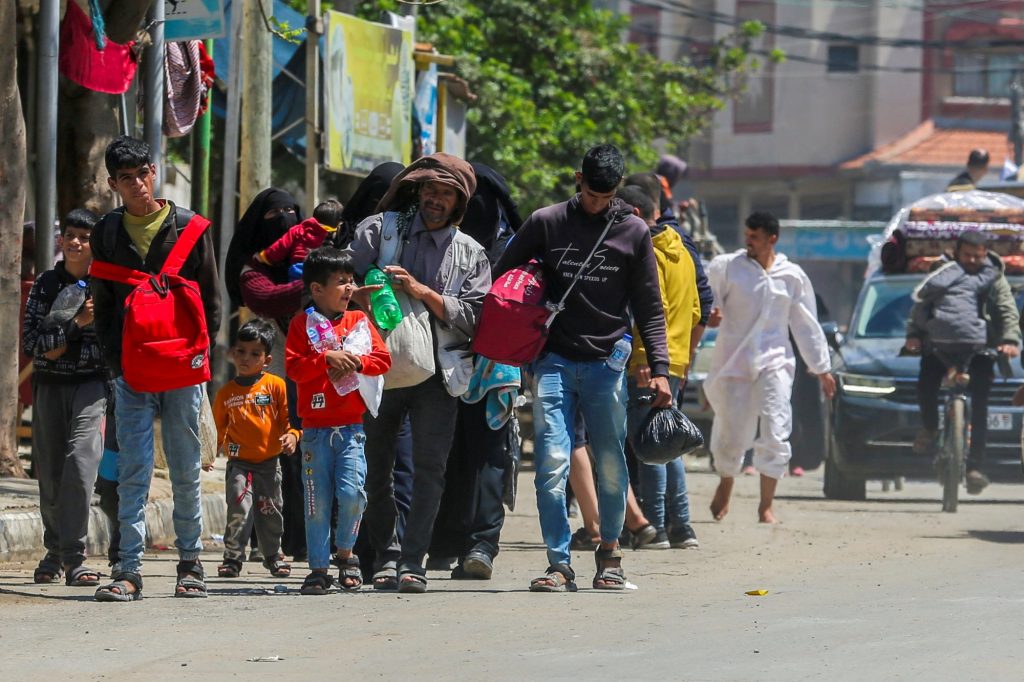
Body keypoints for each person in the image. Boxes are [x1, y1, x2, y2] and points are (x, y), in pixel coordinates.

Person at [495, 144, 672, 592]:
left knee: (611, 462)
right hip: (552, 360)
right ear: (578, 179)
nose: (596, 203)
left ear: (618, 188)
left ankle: (609, 555)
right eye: (591, 193)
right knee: (552, 460)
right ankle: (559, 563)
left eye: (605, 195)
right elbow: (504, 278)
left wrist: (661, 368)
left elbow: (650, 307)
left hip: (605, 365)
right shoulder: (547, 221)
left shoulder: (633, 232)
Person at [344, 152, 491, 594]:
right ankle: (385, 556)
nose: (436, 199)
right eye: (431, 190)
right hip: (378, 367)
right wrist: (362, 295)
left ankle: (413, 561)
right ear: (417, 190)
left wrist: (423, 292)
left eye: (446, 193)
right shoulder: (378, 231)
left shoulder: (470, 253)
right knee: (374, 466)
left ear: (458, 204)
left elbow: (477, 317)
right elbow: (338, 285)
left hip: (438, 376)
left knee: (430, 469)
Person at [90, 135, 221, 601]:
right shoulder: (106, 234)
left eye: (143, 173)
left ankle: (191, 563)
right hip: (132, 372)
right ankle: (128, 569)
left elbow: (211, 301)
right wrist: (117, 362)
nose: (139, 184)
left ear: (154, 172)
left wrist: (200, 360)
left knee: (186, 467)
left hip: (184, 369)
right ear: (114, 184)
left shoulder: (190, 226)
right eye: (127, 178)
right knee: (134, 470)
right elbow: (103, 305)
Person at [704, 212, 834, 524]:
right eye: (746, 235)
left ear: (771, 238)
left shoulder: (791, 275)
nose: (748, 241)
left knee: (776, 427)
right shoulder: (728, 267)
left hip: (776, 361)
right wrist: (710, 315)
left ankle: (766, 506)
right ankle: (726, 480)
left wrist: (821, 367)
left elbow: (805, 323)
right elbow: (707, 300)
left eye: (755, 236)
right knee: (732, 432)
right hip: (735, 360)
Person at [429, 161, 524, 580]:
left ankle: (480, 545)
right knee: (455, 455)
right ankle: (450, 542)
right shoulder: (446, 243)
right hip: (447, 363)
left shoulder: (512, 248)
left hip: (492, 368)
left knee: (484, 454)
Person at [285, 248, 391, 595]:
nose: (350, 289)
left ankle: (346, 555)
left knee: (352, 495)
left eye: (351, 281)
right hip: (314, 432)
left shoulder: (359, 321)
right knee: (317, 504)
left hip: (352, 430)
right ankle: (318, 568)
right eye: (341, 283)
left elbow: (382, 360)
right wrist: (324, 358)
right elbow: (294, 368)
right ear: (317, 289)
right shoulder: (302, 325)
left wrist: (358, 363)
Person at [22, 208, 107, 587]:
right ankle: (53, 550)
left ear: (96, 244)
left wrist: (59, 342)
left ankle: (75, 556)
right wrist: (76, 327)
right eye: (70, 235)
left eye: (84, 237)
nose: (75, 243)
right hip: (49, 386)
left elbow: (112, 343)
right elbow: (34, 345)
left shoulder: (108, 286)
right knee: (51, 472)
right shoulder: (45, 284)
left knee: (80, 462)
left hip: (91, 386)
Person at [617, 185, 702, 550]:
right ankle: (682, 527)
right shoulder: (681, 249)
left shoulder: (647, 250)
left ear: (635, 212)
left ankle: (654, 528)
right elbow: (696, 309)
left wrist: (646, 360)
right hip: (676, 359)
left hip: (650, 362)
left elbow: (654, 309)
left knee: (649, 444)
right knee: (668, 440)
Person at [905, 231, 1021, 494]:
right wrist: (913, 336)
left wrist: (1009, 341)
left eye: (977, 256)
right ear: (956, 252)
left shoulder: (994, 277)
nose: (972, 260)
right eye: (967, 255)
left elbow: (1006, 310)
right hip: (939, 347)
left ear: (985, 255)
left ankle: (974, 469)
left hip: (980, 349)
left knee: (980, 405)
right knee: (926, 383)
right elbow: (921, 307)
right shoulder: (941, 273)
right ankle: (931, 428)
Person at [211, 319, 301, 579]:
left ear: (267, 359)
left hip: (270, 464)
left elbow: (289, 421)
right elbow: (218, 428)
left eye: (254, 354)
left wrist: (293, 436)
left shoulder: (276, 385)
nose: (246, 358)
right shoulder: (226, 393)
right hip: (239, 464)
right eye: (241, 351)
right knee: (239, 507)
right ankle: (232, 557)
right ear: (232, 353)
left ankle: (273, 555)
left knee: (270, 511)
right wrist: (209, 455)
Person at [255, 199, 343, 281]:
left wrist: (264, 257)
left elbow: (282, 245)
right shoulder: (335, 234)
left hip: (298, 269)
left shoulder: (298, 229)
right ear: (338, 222)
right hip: (324, 271)